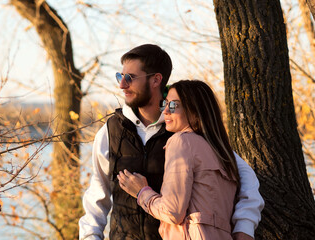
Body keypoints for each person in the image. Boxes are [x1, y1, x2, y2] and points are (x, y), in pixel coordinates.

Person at [79, 44, 264, 240]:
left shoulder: (185, 128)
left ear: (156, 79)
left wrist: (244, 229)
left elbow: (246, 181)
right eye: (120, 76)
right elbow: (97, 195)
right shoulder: (110, 131)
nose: (122, 85)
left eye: (129, 78)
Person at [118, 80, 241, 239]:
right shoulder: (223, 154)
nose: (165, 111)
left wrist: (142, 192)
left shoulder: (182, 141)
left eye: (174, 105)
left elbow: (172, 212)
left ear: (195, 112)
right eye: (165, 103)